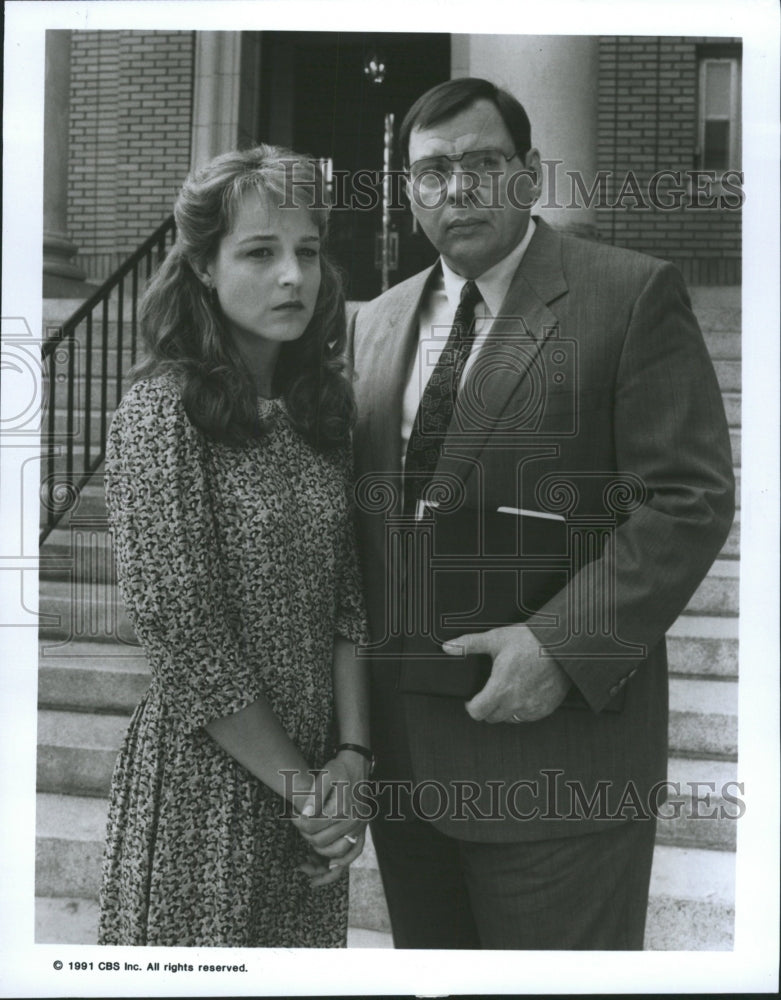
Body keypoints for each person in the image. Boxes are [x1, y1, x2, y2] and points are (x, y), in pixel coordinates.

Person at [349, 78, 734, 949]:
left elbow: (687, 499)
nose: (458, 189)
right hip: (405, 774)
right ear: (409, 191)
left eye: (482, 163)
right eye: (432, 171)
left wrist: (562, 646)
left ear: (527, 173)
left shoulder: (629, 295)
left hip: (559, 767)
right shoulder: (375, 323)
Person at [97, 145, 372, 948]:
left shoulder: (322, 413)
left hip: (320, 791)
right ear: (206, 269)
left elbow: (350, 603)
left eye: (308, 252)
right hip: (207, 784)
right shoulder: (160, 414)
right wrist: (305, 791)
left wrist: (351, 763)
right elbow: (187, 642)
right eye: (260, 252)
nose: (293, 276)